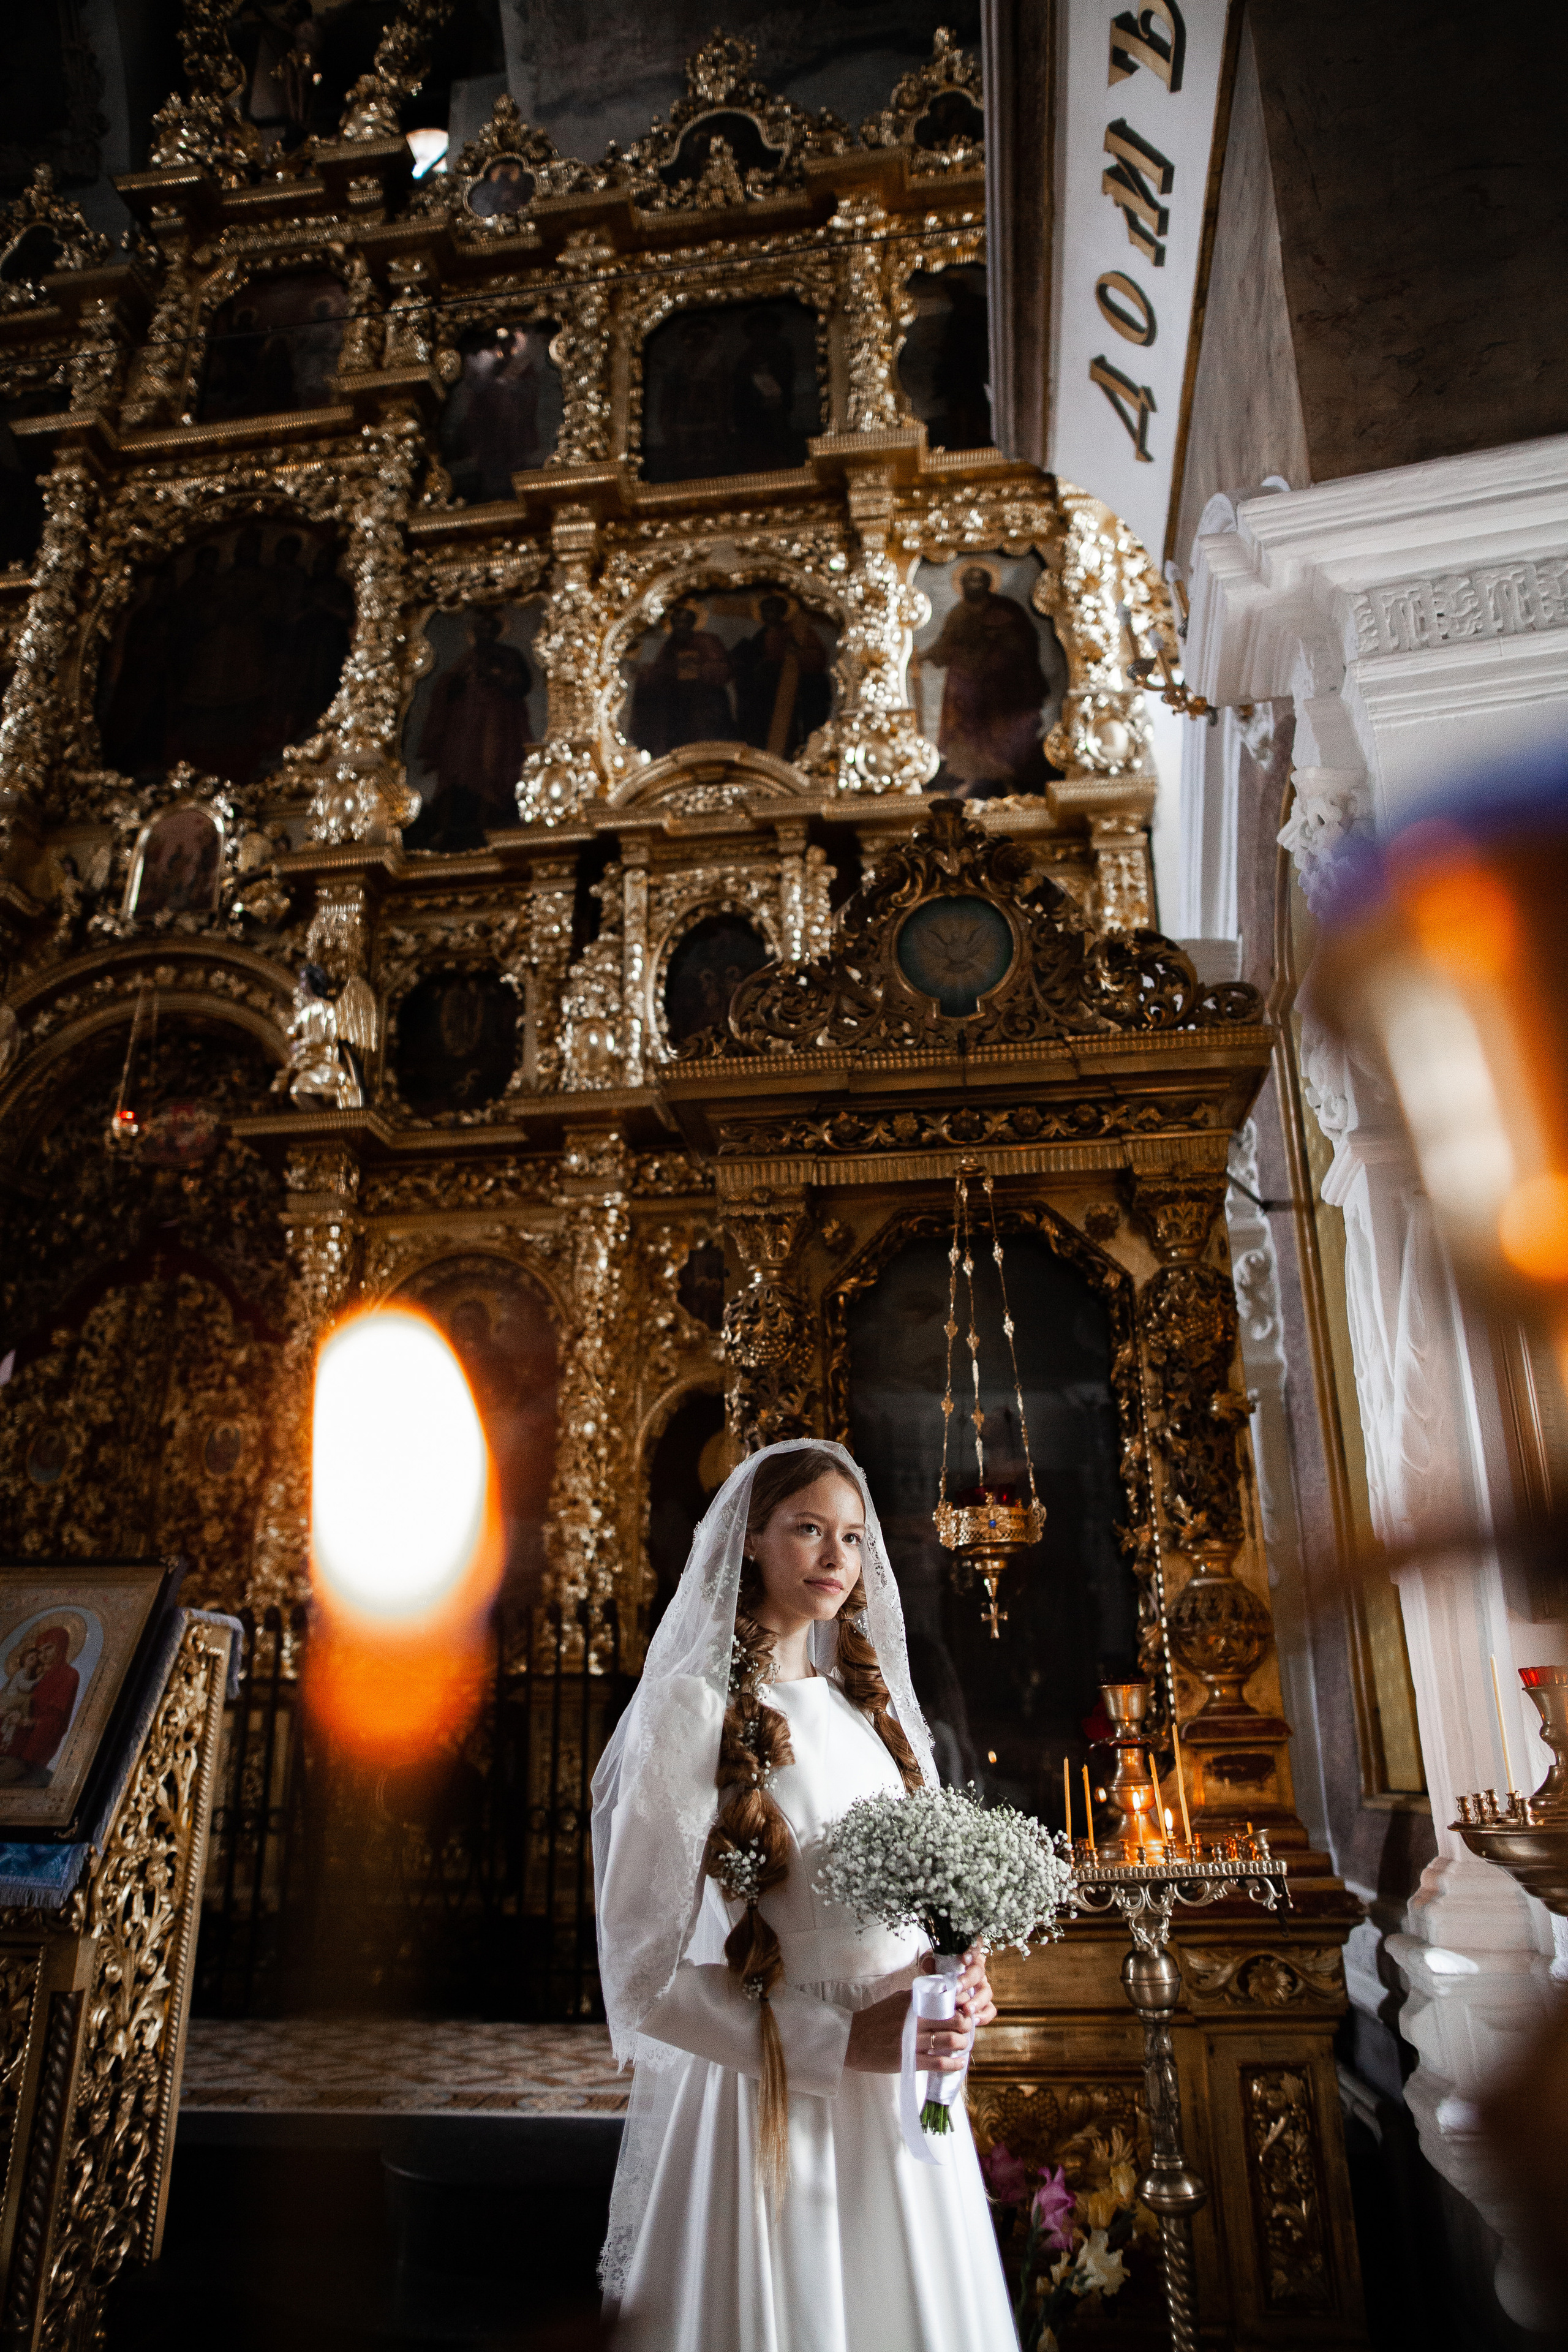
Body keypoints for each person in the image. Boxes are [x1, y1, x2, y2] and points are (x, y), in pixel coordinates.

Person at [594, 1440, 1018, 2350]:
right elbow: (635, 1972)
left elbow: (920, 1900)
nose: (837, 1559)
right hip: (776, 2097)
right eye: (809, 1531)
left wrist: (955, 1977)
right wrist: (832, 2042)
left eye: (854, 1539)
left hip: (904, 2095)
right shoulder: (690, 1713)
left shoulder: (875, 1712)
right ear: (750, 1541)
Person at [921, 563, 1050, 797]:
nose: (973, 586)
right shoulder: (958, 613)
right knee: (965, 731)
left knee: (1000, 729)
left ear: (988, 584)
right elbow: (946, 643)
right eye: (968, 582)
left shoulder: (1006, 609)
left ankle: (1009, 778)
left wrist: (997, 644)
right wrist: (925, 655)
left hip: (1000, 685)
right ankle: (972, 779)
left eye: (978, 581)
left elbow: (1024, 641)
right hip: (965, 685)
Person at [415, 609, 535, 843]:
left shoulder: (508, 655)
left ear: (496, 631)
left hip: (496, 720)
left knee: (492, 766)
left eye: (489, 629)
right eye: (480, 629)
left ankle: (491, 818)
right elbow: (447, 687)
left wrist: (496, 677)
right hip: (464, 725)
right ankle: (450, 825)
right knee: (460, 770)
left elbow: (519, 683)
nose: (485, 634)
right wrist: (458, 683)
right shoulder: (467, 659)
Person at [732, 593, 832, 758]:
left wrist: (798, 653)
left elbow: (818, 659)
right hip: (767, 694)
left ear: (782, 612)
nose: (770, 615)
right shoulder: (761, 635)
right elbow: (750, 663)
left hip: (795, 689)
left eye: (773, 610)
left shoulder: (799, 631)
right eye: (766, 611)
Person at [628, 603, 733, 756]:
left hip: (705, 700)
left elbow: (723, 669)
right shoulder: (669, 646)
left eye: (685, 622)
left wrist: (701, 669)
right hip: (678, 702)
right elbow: (661, 673)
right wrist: (647, 673)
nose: (681, 626)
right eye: (676, 622)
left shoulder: (707, 641)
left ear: (692, 623)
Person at [0, 1624, 80, 1787]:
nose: (43, 1654)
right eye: (39, 1651)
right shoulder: (32, 1673)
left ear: (62, 1646)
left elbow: (56, 1719)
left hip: (35, 1742)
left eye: (49, 1648)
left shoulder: (68, 1674)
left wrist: (24, 1722)